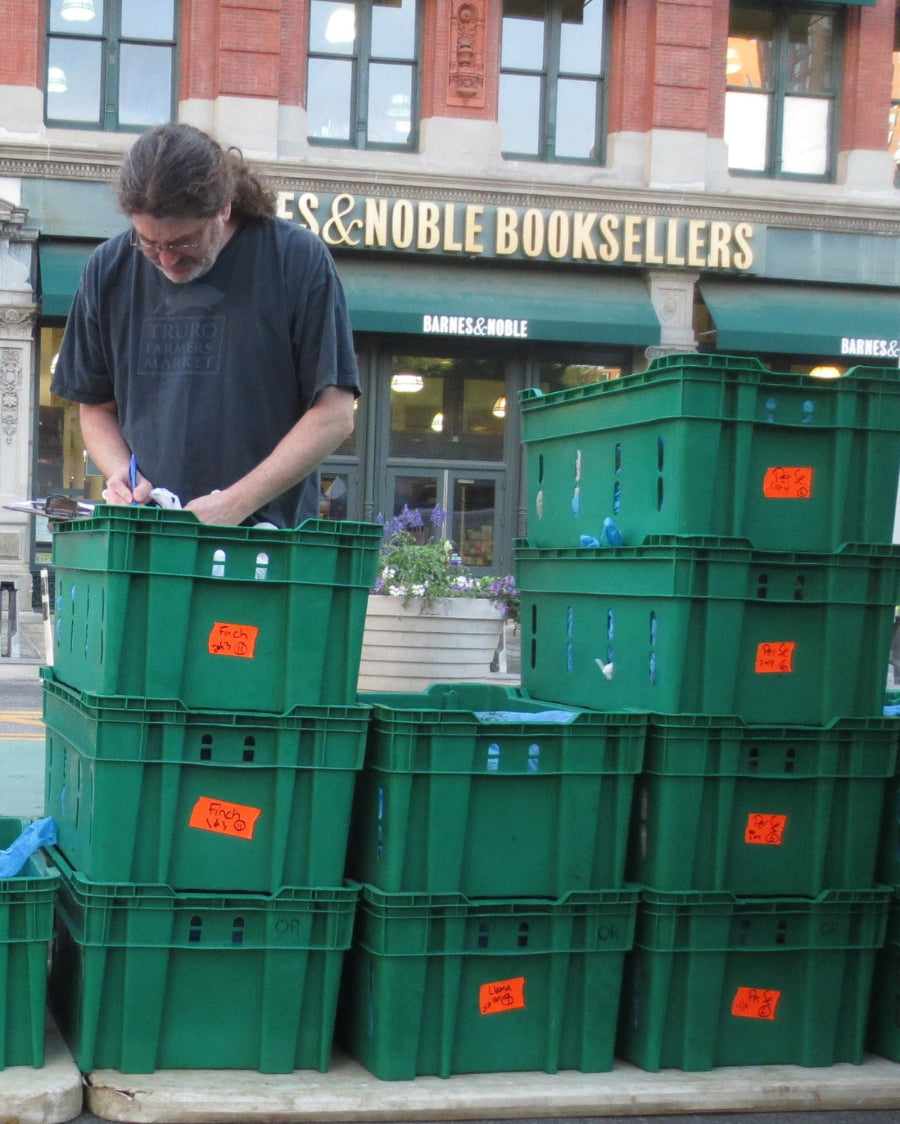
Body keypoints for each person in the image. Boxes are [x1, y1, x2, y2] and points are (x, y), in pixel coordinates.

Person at [50, 123, 358, 527]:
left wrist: (236, 502)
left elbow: (335, 414)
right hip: (148, 537)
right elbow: (95, 409)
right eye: (149, 243)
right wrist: (125, 476)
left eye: (183, 242)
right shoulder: (107, 269)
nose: (166, 259)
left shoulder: (296, 261)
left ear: (225, 206)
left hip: (266, 544)